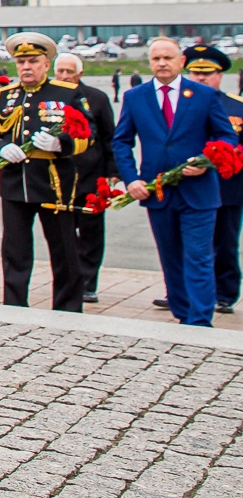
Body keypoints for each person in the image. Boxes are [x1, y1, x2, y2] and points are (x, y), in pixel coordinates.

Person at [111, 39, 234, 325]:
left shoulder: (204, 95)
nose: (162, 63)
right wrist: (131, 180)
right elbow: (121, 143)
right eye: (156, 59)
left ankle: (200, 321)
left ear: (181, 62)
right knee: (170, 258)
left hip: (198, 192)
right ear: (149, 63)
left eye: (168, 57)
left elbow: (226, 136)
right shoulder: (135, 97)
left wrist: (205, 162)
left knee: (199, 257)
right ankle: (182, 315)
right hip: (158, 193)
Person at [0, 32, 96, 312]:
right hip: (16, 183)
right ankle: (14, 303)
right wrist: (0, 147)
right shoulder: (3, 96)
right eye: (21, 62)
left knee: (63, 249)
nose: (26, 67)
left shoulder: (67, 93)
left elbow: (89, 132)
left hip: (53, 183)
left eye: (33, 61)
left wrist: (62, 144)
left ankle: (68, 306)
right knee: (15, 251)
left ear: (46, 64)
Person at [182, 45, 243, 315]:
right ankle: (183, 290)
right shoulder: (178, 104)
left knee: (224, 242)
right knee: (186, 242)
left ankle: (225, 293)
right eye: (195, 72)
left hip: (227, 186)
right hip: (188, 184)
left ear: (220, 75)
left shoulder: (236, 106)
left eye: (208, 73)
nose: (201, 78)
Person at [54, 52, 117, 303]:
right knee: (63, 234)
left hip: (91, 175)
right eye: (61, 71)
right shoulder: (49, 99)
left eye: (70, 72)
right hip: (58, 178)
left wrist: (113, 172)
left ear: (80, 73)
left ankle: (89, 282)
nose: (65, 76)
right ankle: (69, 280)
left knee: (91, 233)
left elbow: (109, 138)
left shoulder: (97, 98)